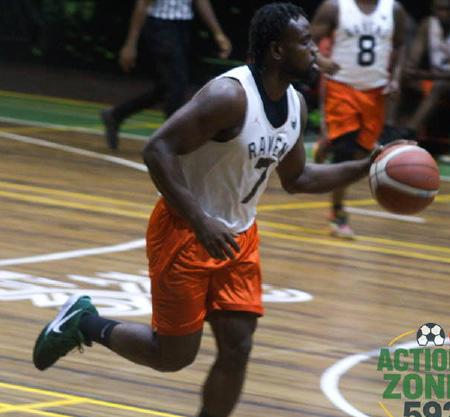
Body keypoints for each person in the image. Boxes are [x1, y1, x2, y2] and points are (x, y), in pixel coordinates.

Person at [33, 3, 391, 417]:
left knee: (238, 346)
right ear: (277, 50)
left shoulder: (294, 104)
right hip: (185, 231)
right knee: (172, 356)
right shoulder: (229, 96)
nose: (316, 49)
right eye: (306, 42)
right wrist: (200, 221)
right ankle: (83, 323)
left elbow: (299, 178)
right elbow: (157, 150)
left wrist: (366, 167)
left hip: (239, 238)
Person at [311, 0, 407, 239]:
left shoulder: (393, 9)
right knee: (345, 152)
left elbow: (401, 45)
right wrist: (320, 60)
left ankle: (327, 143)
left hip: (376, 92)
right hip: (341, 87)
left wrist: (395, 78)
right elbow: (307, 40)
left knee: (361, 153)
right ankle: (338, 214)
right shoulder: (335, 7)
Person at [101, 0, 232, 150]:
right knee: (177, 84)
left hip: (183, 27)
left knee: (165, 87)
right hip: (161, 25)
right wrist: (130, 43)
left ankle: (116, 115)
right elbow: (142, 4)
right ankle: (172, 142)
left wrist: (218, 33)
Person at [400, 0, 450, 137]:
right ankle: (389, 128)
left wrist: (428, 75)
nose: (445, 14)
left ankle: (409, 130)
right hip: (433, 76)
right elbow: (413, 59)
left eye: (447, 9)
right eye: (440, 9)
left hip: (440, 80)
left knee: (439, 86)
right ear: (433, 9)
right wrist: (409, 70)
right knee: (400, 79)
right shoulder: (428, 25)